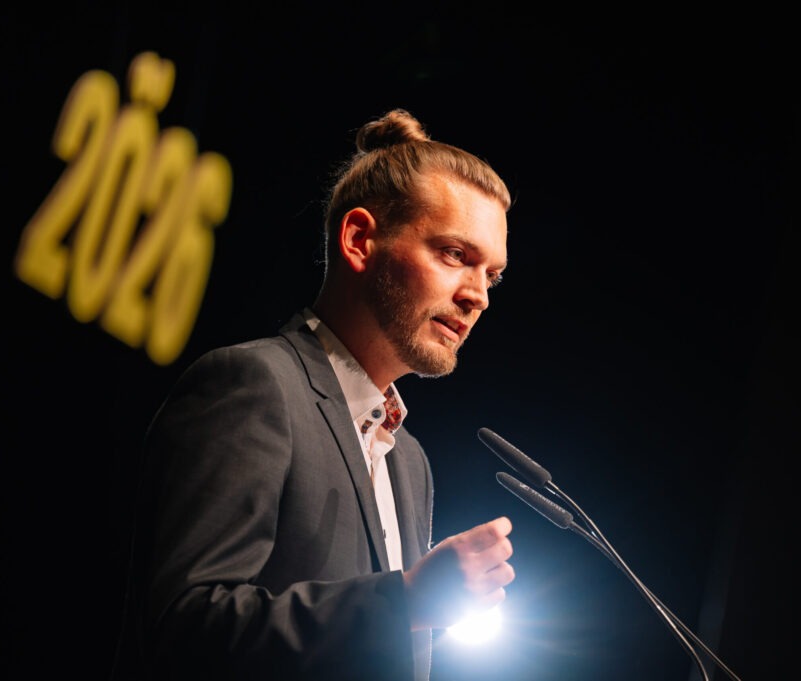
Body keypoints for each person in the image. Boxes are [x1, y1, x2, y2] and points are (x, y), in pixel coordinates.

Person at [116, 109, 516, 681]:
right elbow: (183, 625)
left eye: (492, 275)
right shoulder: (254, 387)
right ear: (358, 241)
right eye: (456, 255)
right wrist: (403, 601)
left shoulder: (410, 463)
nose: (478, 296)